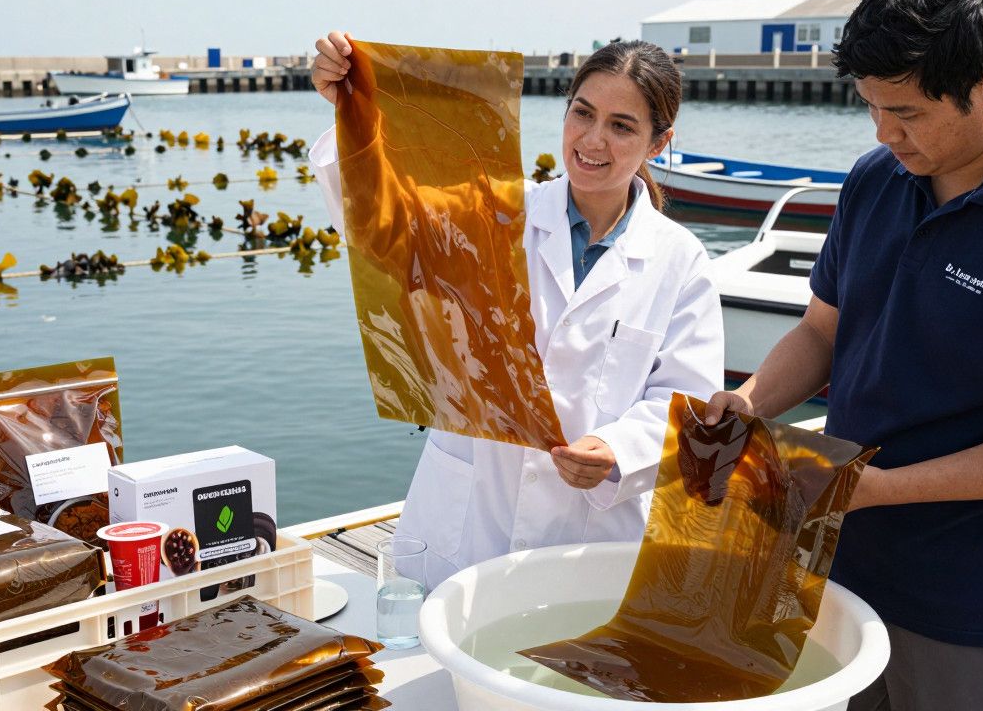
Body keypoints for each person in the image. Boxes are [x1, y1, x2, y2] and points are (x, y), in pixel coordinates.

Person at [703, 0, 983, 708]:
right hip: (834, 565)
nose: (883, 134)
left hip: (968, 601)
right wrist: (748, 400)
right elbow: (820, 332)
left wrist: (877, 490)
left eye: (906, 113)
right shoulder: (874, 180)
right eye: (870, 107)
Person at [308, 32, 724, 589]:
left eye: (622, 126)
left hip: (592, 536)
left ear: (657, 143)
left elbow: (686, 405)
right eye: (583, 113)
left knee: (565, 664)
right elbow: (379, 225)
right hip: (469, 524)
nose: (593, 139)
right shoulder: (496, 214)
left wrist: (617, 449)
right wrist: (351, 109)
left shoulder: (681, 260)